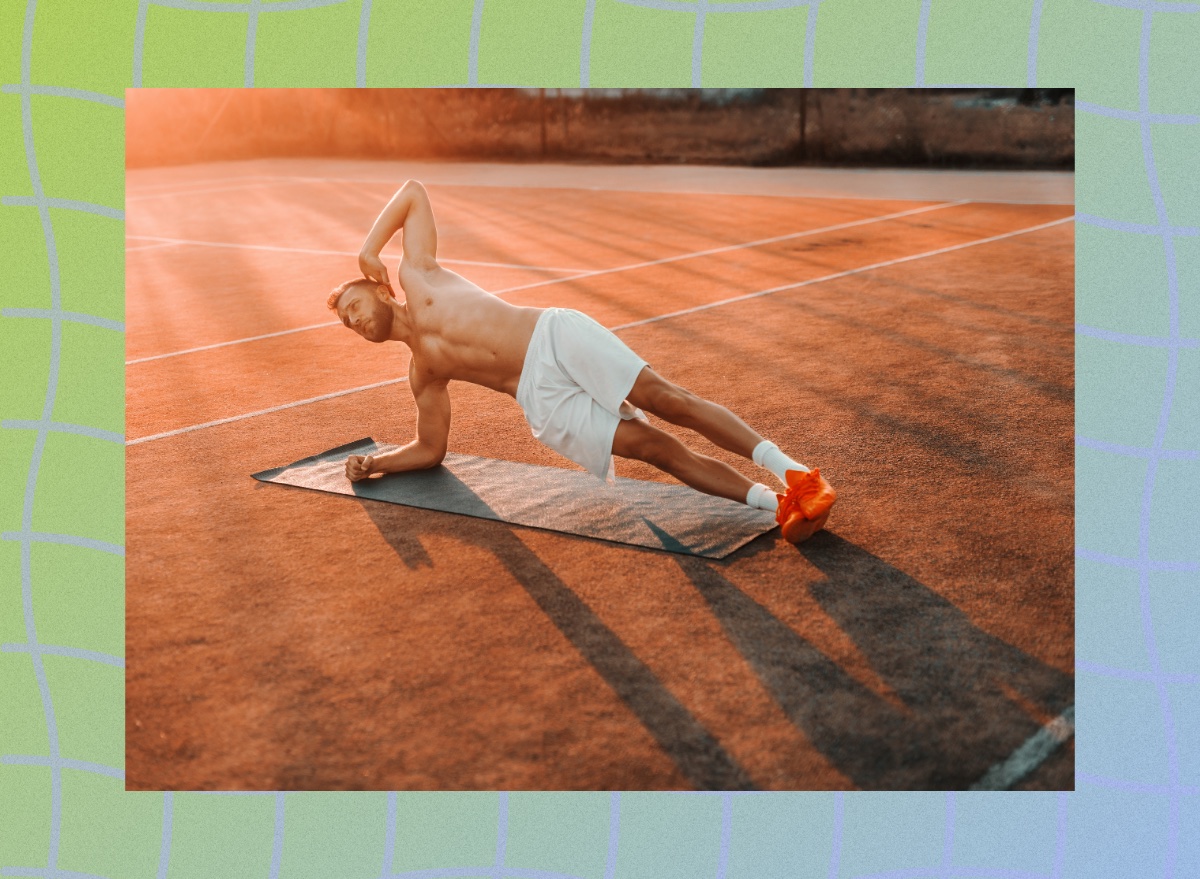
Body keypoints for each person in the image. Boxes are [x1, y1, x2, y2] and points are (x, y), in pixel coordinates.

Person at [326, 180, 836, 543]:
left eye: (354, 308)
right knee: (657, 449)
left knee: (667, 400)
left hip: (553, 336)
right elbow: (431, 448)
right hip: (541, 400)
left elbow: (414, 191)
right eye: (348, 325)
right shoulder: (424, 372)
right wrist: (378, 464)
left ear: (380, 290)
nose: (355, 322)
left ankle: (796, 476)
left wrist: (370, 246)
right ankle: (778, 507)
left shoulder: (417, 273)